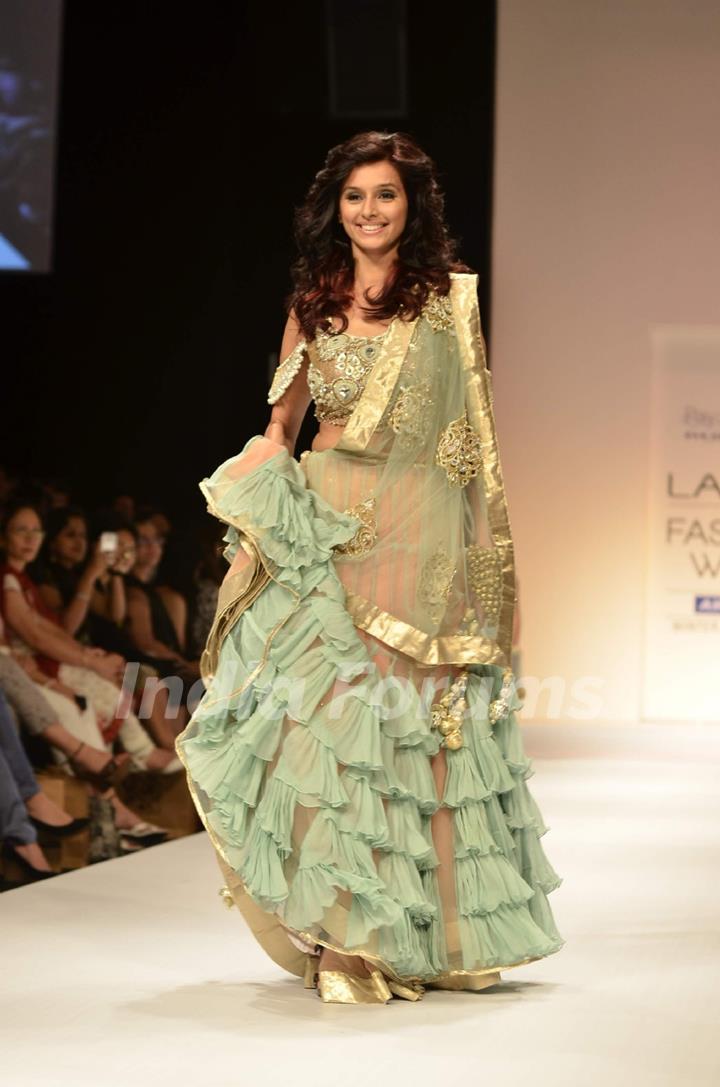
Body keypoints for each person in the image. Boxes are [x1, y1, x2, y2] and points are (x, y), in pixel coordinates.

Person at [176, 131, 564, 1004]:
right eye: (356, 196)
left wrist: (475, 558)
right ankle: (351, 935)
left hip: (421, 534)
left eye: (385, 195)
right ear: (335, 209)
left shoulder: (447, 305)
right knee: (338, 731)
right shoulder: (312, 306)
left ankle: (434, 933)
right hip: (332, 532)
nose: (370, 211)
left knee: (419, 724)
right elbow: (283, 424)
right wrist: (260, 482)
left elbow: (473, 448)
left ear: (411, 204)